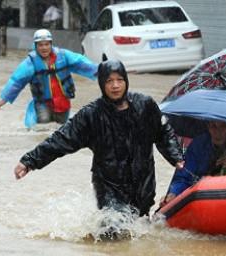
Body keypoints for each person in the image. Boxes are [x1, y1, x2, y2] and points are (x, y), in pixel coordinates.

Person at [12, 59, 184, 218]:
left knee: (139, 229)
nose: (115, 86)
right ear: (102, 84)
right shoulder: (91, 114)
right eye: (109, 81)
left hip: (143, 184)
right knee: (112, 229)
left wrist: (176, 157)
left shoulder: (145, 105)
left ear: (126, 81)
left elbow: (163, 132)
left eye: (119, 80)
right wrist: (30, 161)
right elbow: (61, 139)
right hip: (108, 186)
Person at [0, 29, 97, 126]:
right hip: (43, 104)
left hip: (63, 103)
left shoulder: (63, 56)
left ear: (51, 44)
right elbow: (17, 81)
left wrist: (99, 71)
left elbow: (81, 63)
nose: (44, 48)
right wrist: (4, 100)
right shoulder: (30, 63)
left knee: (62, 130)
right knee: (43, 126)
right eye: (40, 45)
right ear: (35, 46)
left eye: (47, 44)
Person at [163, 120, 226, 204]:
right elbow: (183, 176)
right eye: (213, 126)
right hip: (201, 196)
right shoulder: (198, 145)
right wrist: (174, 193)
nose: (217, 132)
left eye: (223, 126)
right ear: (207, 126)